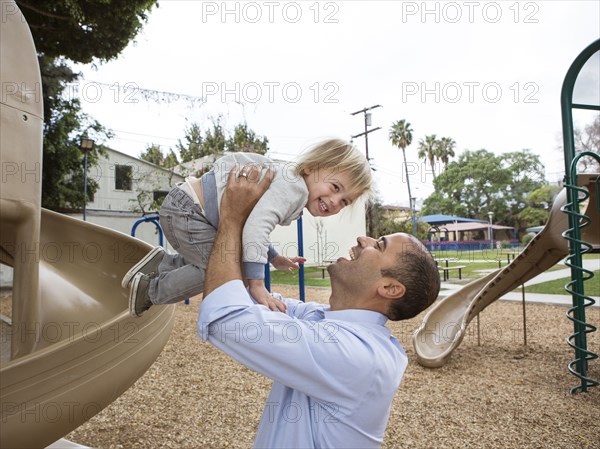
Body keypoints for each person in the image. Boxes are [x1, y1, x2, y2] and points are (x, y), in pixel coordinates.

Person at [198, 165, 441, 449]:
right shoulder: (325, 320)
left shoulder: (357, 356)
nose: (364, 239)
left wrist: (232, 217)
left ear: (389, 288)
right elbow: (242, 296)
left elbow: (226, 319)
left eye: (379, 244)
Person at [123, 138, 373, 317]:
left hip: (187, 208)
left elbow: (252, 226)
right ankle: (151, 290)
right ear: (311, 168)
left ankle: (162, 265)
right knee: (218, 272)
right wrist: (256, 283)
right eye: (335, 188)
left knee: (216, 261)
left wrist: (274, 258)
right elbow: (256, 227)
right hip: (190, 212)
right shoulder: (294, 188)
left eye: (344, 201)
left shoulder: (290, 185)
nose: (334, 202)